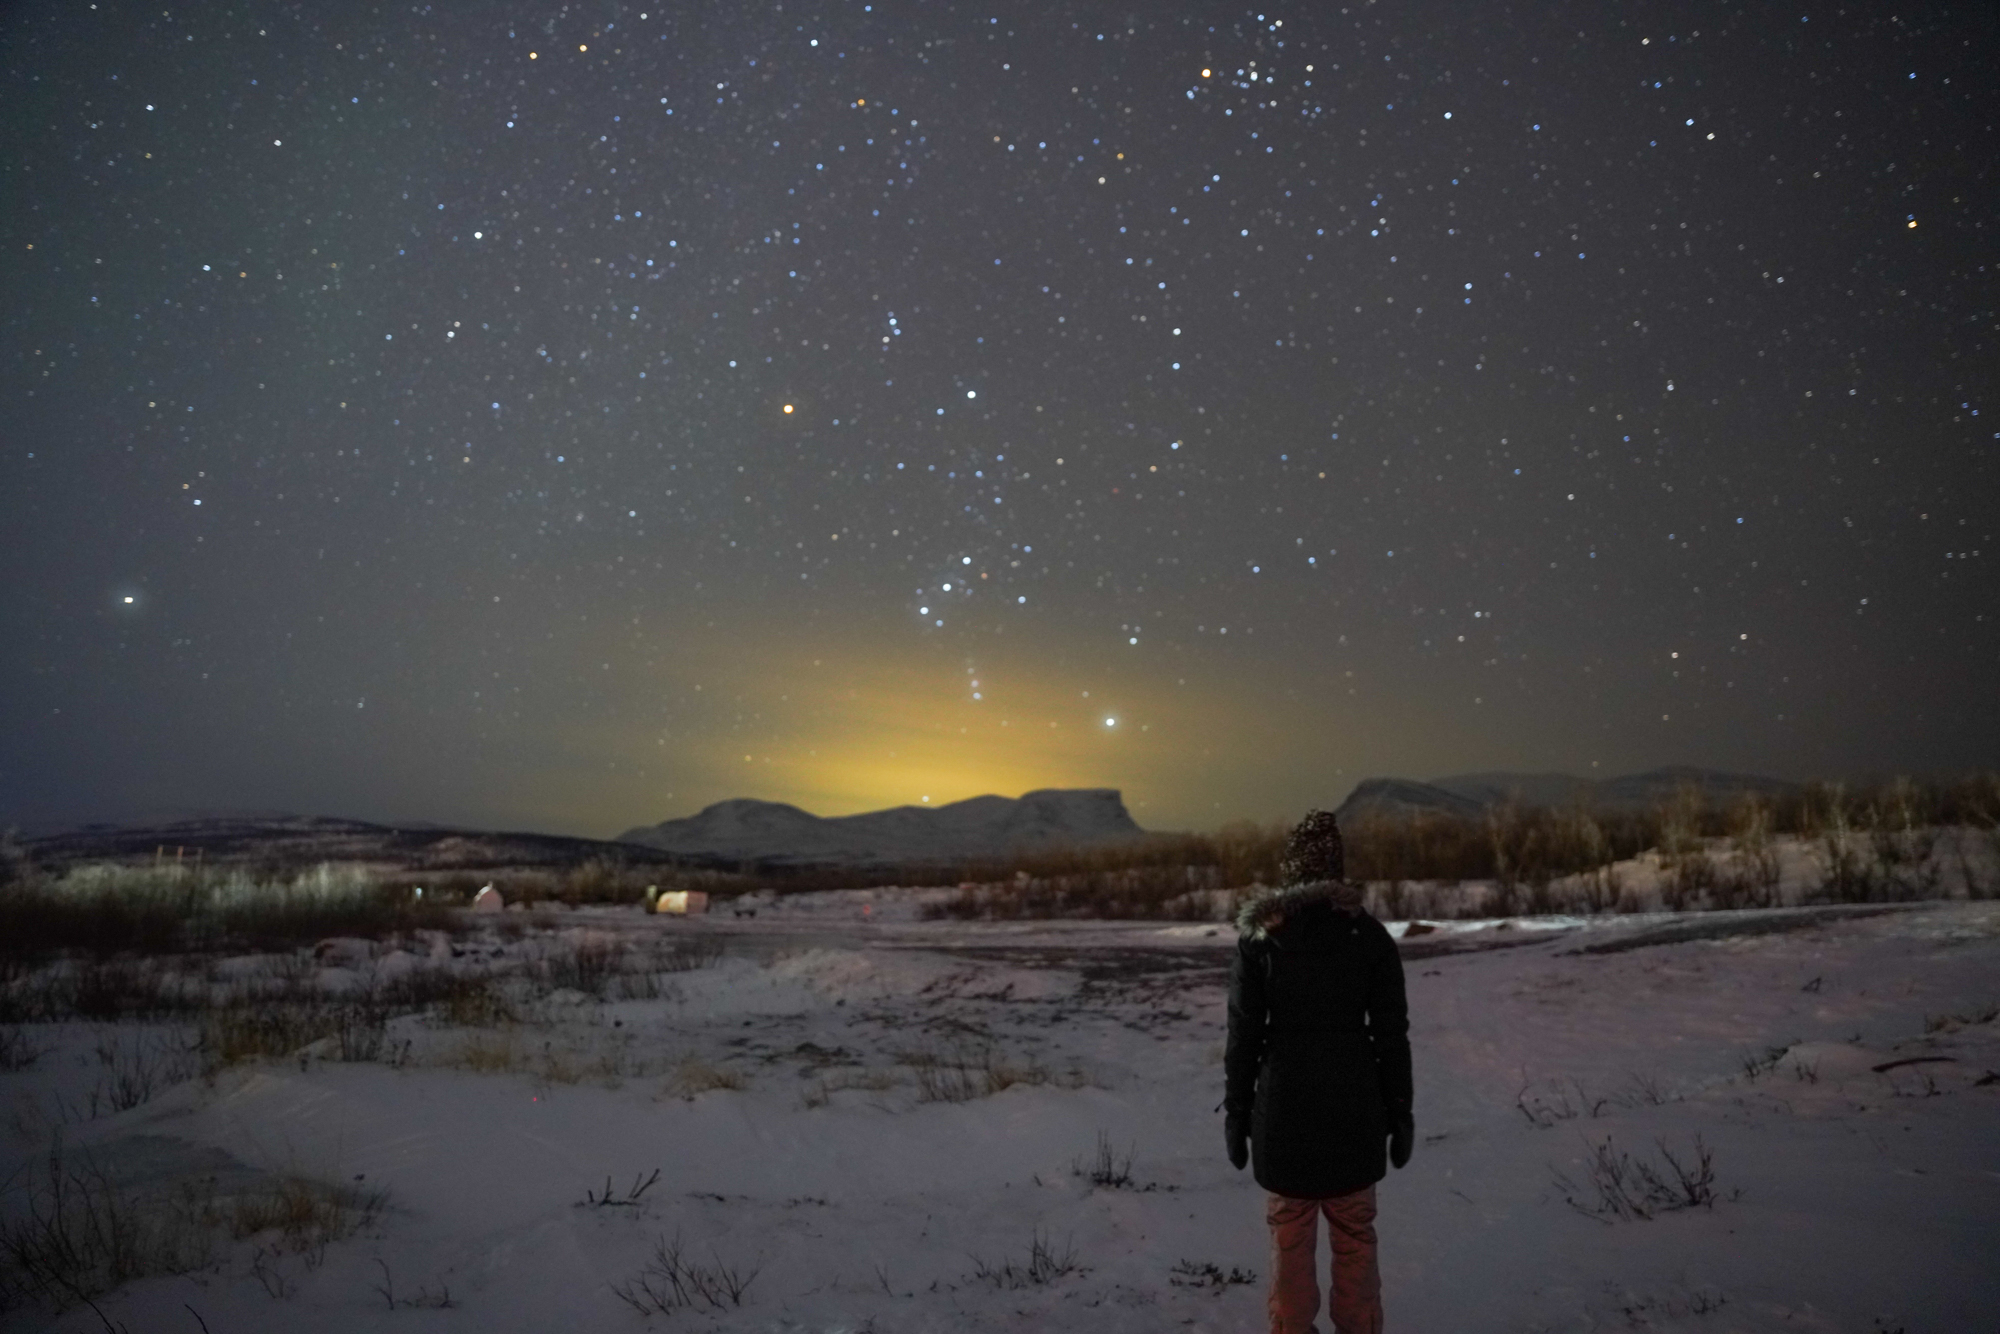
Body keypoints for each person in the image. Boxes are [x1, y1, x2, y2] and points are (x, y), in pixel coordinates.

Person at [1225, 810, 1412, 1334]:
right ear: (1336, 870)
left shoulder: (1260, 941)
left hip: (1283, 1112)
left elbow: (1243, 1035)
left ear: (1290, 872)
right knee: (1355, 1236)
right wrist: (1401, 1110)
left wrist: (1237, 1112)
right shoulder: (1369, 937)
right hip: (1356, 1109)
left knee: (1290, 1236)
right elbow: (1391, 1035)